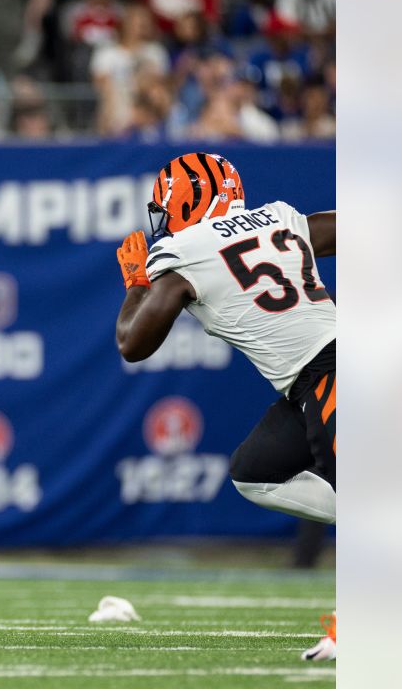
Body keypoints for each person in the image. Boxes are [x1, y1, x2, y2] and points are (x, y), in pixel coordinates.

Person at [112, 152, 336, 660]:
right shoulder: (279, 216)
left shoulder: (184, 250)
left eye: (167, 208)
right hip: (311, 380)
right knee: (255, 470)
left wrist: (135, 285)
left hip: (331, 376)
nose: (162, 222)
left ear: (186, 202)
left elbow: (133, 343)